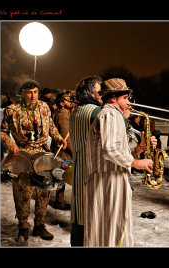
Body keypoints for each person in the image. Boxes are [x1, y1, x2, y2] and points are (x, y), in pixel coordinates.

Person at [84, 78, 156, 247]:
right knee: (113, 231)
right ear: (113, 99)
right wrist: (137, 163)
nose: (128, 102)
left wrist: (141, 147)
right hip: (109, 181)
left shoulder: (110, 114)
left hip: (108, 179)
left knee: (106, 230)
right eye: (125, 98)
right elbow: (110, 150)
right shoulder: (110, 114)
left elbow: (117, 152)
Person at [0, 80, 67, 242]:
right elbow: (3, 132)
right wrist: (11, 144)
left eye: (35, 92)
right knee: (23, 192)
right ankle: (23, 226)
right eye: (29, 92)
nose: (33, 95)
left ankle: (39, 225)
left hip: (42, 155)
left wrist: (58, 138)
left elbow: (51, 126)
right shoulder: (12, 110)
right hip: (22, 156)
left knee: (44, 191)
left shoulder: (44, 107)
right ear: (22, 93)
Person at [68, 75, 103, 246]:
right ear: (92, 93)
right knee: (92, 215)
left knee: (79, 214)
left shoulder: (75, 111)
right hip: (92, 169)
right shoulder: (96, 112)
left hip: (80, 167)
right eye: (100, 91)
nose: (103, 94)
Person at [50, 92, 74, 210]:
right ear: (61, 103)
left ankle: (60, 199)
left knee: (61, 176)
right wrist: (74, 152)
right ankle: (59, 200)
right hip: (63, 154)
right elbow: (66, 137)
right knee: (60, 175)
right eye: (67, 100)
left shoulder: (66, 115)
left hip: (65, 153)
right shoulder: (62, 115)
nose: (70, 102)